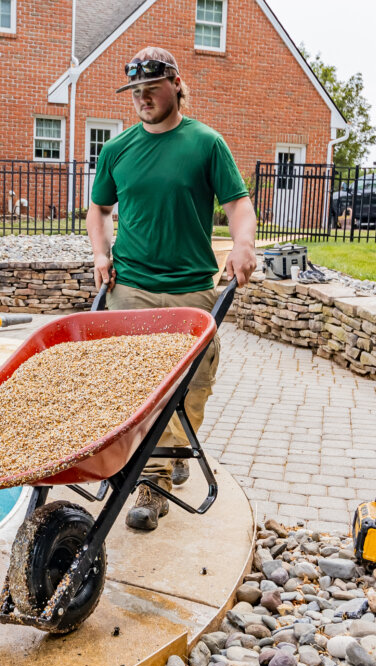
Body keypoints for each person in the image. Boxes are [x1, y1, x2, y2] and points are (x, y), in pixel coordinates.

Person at [86, 46, 257, 531]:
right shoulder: (118, 150)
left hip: (190, 289)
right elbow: (98, 210)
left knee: (191, 384)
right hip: (132, 286)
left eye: (151, 88)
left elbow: (238, 205)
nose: (142, 98)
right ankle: (151, 478)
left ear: (176, 84)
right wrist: (101, 252)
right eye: (135, 91)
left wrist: (243, 243)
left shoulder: (205, 143)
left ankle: (168, 454)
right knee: (130, 385)